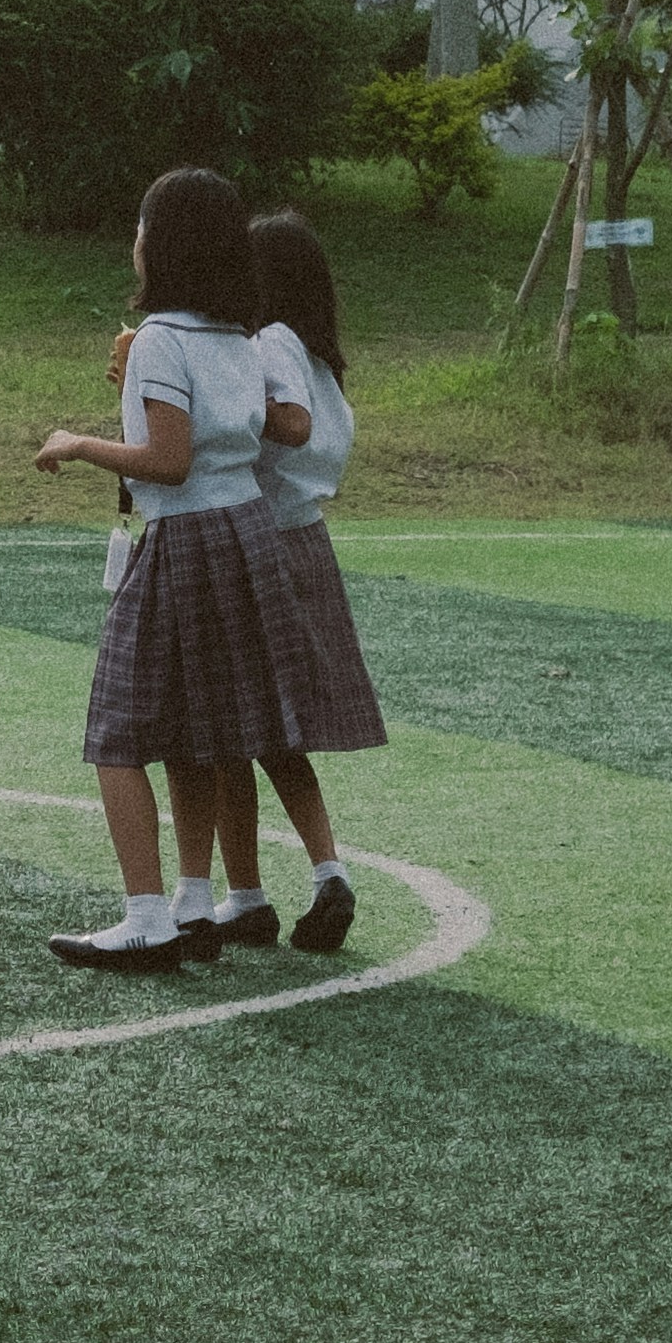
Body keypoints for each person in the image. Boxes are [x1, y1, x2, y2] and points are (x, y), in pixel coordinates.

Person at [29, 168, 326, 968]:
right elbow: (245, 433)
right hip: (245, 533)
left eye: (140, 224)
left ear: (162, 244)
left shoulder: (161, 335)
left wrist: (77, 442)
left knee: (117, 730)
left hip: (186, 540)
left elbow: (167, 460)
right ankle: (194, 903)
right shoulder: (237, 336)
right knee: (195, 731)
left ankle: (146, 916)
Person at [193, 212, 385, 953]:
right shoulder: (314, 348)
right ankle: (311, 874)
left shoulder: (269, 341)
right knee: (268, 732)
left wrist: (221, 406)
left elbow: (293, 427)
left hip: (258, 538)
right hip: (305, 536)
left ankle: (252, 892)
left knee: (230, 727)